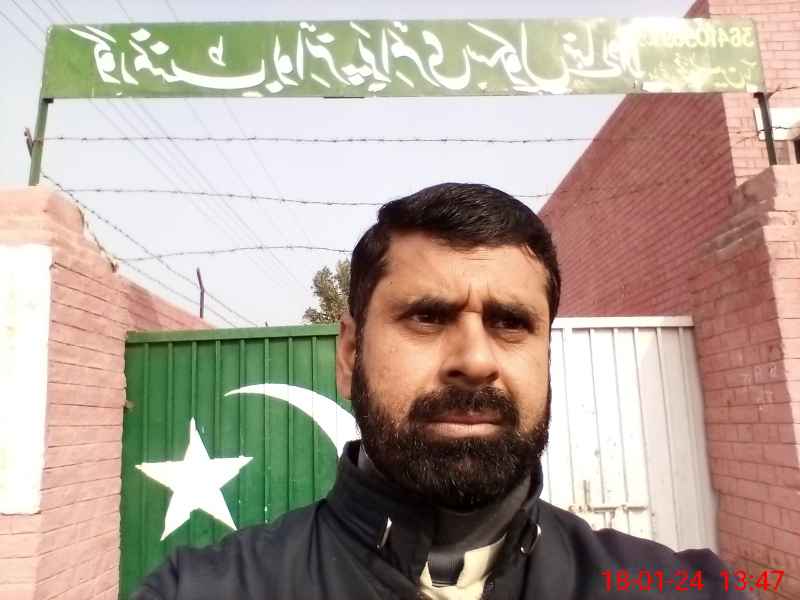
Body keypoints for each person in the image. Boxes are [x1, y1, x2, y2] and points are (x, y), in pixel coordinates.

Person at [134, 183, 745, 599]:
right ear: (350, 354)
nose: (475, 361)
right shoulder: (206, 589)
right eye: (427, 317)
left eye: (510, 323)